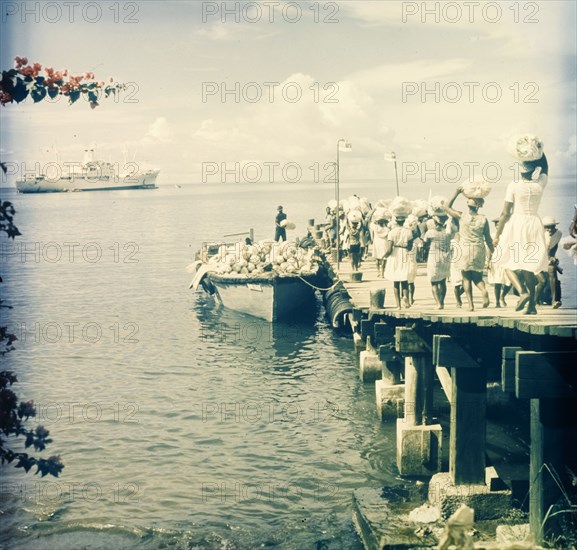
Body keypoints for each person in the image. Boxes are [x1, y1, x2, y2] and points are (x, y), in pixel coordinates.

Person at [493, 152, 549, 315]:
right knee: (528, 266)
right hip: (535, 223)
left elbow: (504, 213)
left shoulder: (514, 185)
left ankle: (522, 291)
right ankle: (531, 305)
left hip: (518, 223)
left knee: (503, 261)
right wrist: (539, 152)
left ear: (520, 170)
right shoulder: (540, 183)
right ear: (534, 171)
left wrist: (497, 234)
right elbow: (546, 167)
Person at [446, 188, 494, 311]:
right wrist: (493, 252)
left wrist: (456, 192)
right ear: (479, 206)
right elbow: (488, 238)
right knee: (478, 277)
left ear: (468, 204)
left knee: (466, 278)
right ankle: (483, 290)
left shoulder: (461, 216)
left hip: (465, 249)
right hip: (478, 248)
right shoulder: (483, 219)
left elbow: (447, 207)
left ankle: (470, 305)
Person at [424, 214, 457, 309]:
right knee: (442, 281)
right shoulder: (448, 233)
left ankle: (438, 303)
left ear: (435, 223)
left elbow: (425, 242)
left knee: (433, 282)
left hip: (434, 258)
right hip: (446, 258)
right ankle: (442, 303)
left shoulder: (430, 232)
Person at [384, 214, 415, 309]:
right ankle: (406, 297)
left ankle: (398, 305)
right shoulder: (408, 232)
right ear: (404, 221)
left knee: (396, 280)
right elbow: (410, 247)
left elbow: (389, 249)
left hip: (395, 253)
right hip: (404, 252)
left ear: (396, 221)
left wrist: (385, 256)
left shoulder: (392, 233)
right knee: (404, 278)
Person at [538, 216, 563, 308]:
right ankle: (537, 300)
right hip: (537, 257)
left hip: (547, 257)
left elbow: (554, 245)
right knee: (544, 277)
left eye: (551, 227)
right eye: (546, 227)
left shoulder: (559, 233)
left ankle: (554, 300)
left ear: (554, 226)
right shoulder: (540, 235)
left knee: (552, 272)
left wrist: (553, 257)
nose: (549, 229)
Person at [488, 219, 512, 308]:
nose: (499, 226)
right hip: (496, 260)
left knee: (510, 282)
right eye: (497, 224)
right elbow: (489, 249)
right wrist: (488, 261)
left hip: (507, 260)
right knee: (497, 282)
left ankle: (503, 296)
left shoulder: (508, 235)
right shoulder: (492, 236)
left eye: (500, 224)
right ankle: (497, 302)